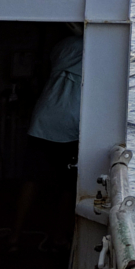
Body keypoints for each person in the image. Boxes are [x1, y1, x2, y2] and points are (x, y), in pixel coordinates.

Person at [10, 26, 83, 250]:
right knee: (68, 186)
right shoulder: (90, 48)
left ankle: (14, 237)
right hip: (71, 125)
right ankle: (59, 236)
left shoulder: (61, 48)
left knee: (31, 180)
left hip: (43, 121)